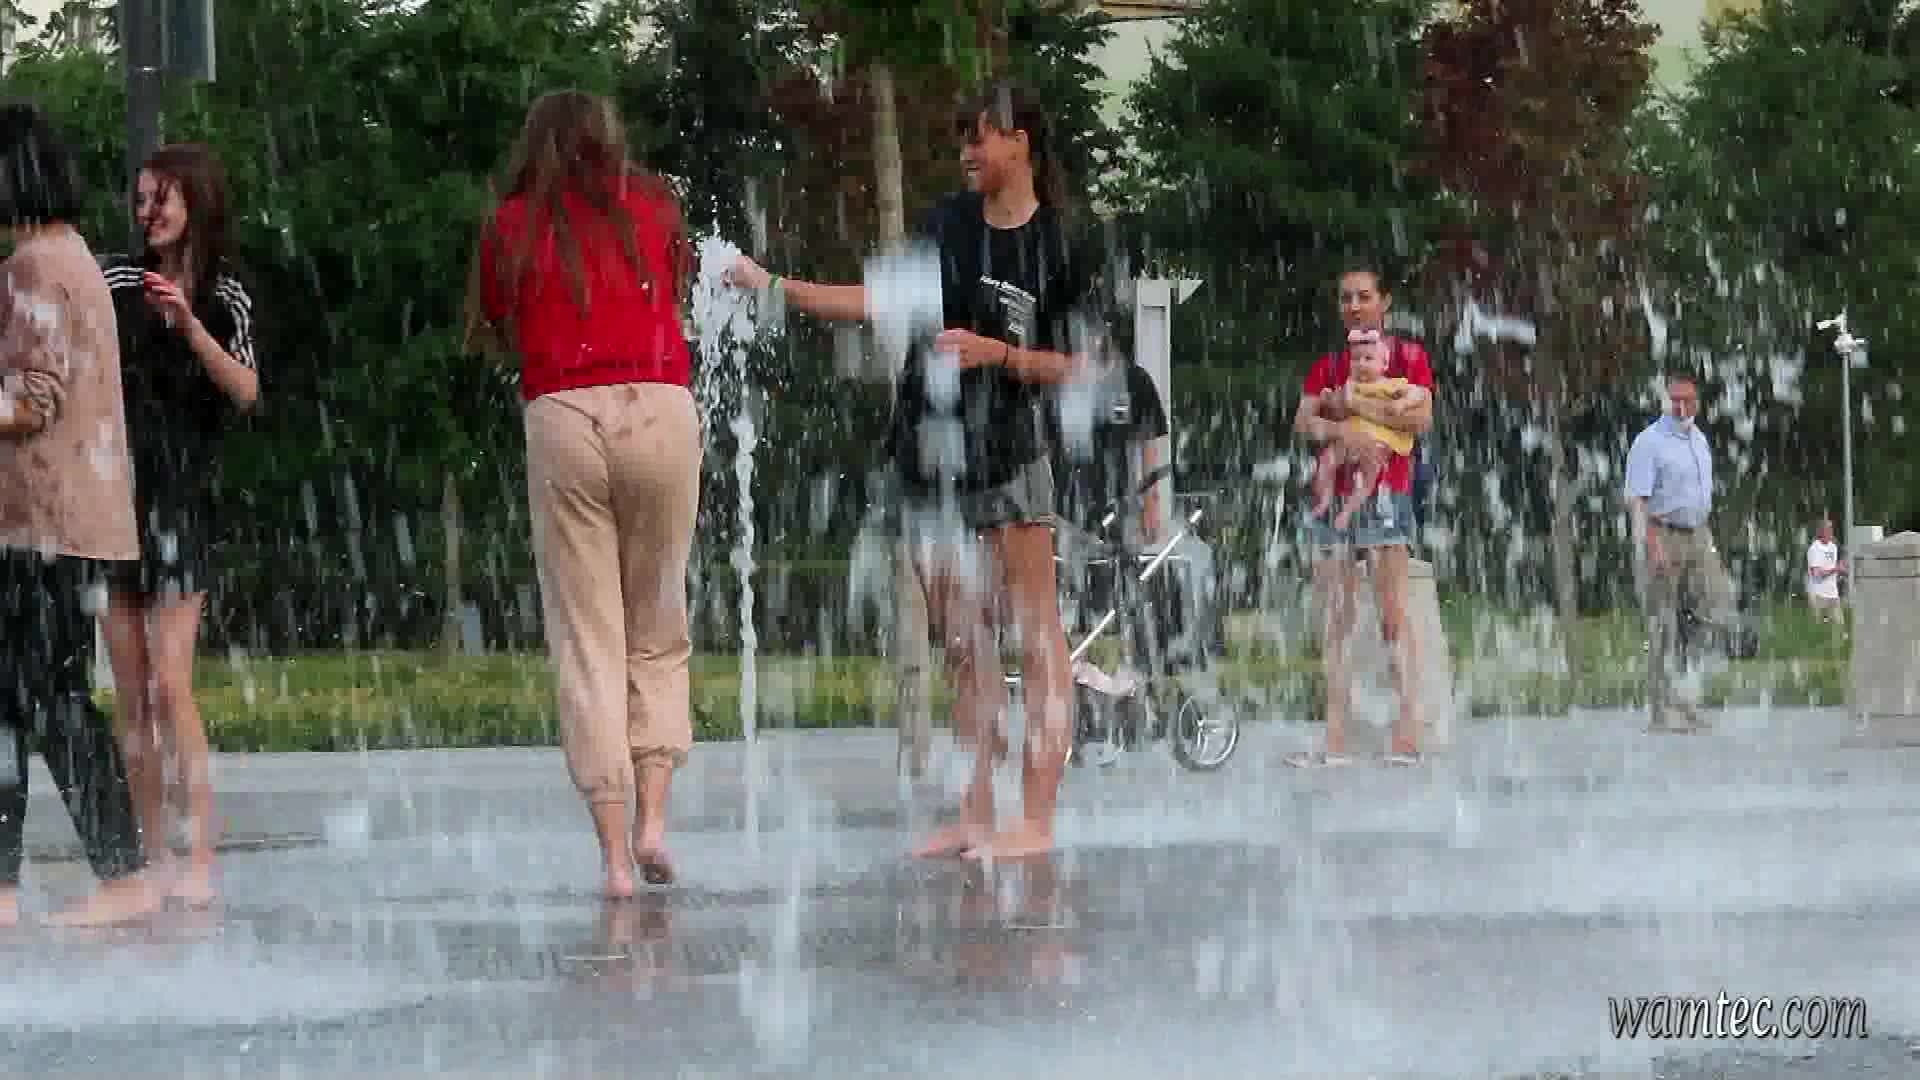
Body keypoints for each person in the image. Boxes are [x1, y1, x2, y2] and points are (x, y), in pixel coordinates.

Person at [728, 81, 1098, 859]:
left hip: (1013, 454)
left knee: (1037, 637)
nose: (967, 150)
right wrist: (777, 288)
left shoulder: (1061, 244)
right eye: (963, 136)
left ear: (1022, 142)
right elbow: (875, 299)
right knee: (962, 640)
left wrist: (1001, 355)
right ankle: (975, 811)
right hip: (930, 451)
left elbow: (1082, 367)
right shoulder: (949, 224)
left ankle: (1034, 820)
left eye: (980, 135)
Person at [465, 90, 700, 898]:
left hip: (563, 411)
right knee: (658, 625)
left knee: (588, 639)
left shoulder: (512, 223)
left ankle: (613, 859)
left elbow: (498, 320)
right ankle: (654, 823)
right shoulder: (655, 204)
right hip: (661, 404)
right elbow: (678, 289)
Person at [0, 101, 162, 927]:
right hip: (76, 516)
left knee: (51, 697)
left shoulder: (32, 267)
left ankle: (124, 874)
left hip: (43, 521)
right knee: (16, 699)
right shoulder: (74, 258)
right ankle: (4, 887)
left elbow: (32, 400)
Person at [99, 143, 260, 909]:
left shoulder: (227, 294)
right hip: (110, 501)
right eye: (139, 199)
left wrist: (190, 326)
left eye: (161, 197)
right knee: (131, 694)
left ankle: (200, 857)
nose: (148, 211)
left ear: (197, 200)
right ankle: (151, 857)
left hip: (180, 500)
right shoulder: (116, 281)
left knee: (170, 684)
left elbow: (247, 390)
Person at [1286, 266, 1434, 768]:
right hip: (1334, 499)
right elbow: (1304, 421)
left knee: (1393, 614)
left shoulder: (1408, 356)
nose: (1354, 305)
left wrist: (1353, 408)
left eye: (1364, 296)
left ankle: (1408, 731)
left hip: (1388, 493)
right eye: (1346, 297)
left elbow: (1421, 418)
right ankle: (1335, 738)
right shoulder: (1329, 365)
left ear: (1384, 302)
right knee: (1336, 619)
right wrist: (1341, 432)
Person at [1625, 372, 1737, 733]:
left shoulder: (1699, 439)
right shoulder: (1649, 442)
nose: (1681, 406)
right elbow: (1637, 500)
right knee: (1662, 623)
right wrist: (1652, 545)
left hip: (1698, 534)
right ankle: (1662, 711)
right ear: (1666, 402)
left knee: (1717, 606)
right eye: (1675, 400)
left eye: (1687, 399)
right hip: (1662, 533)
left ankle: (1684, 690)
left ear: (1697, 402)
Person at [1309, 328, 1428, 530]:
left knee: (1367, 478)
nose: (1361, 364)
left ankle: (1347, 512)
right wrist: (1328, 398)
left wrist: (1403, 403)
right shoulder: (1350, 385)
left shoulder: (1391, 385)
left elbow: (1419, 393)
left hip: (1378, 442)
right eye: (1355, 359)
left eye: (1368, 359)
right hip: (1350, 438)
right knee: (1326, 462)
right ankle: (1324, 500)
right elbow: (1334, 403)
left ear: (1384, 365)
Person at [1806, 518, 1844, 624]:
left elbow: (1833, 568)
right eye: (1827, 529)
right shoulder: (1814, 548)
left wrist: (1841, 571)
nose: (1831, 531)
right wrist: (1836, 569)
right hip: (1818, 595)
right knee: (1817, 628)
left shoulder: (1833, 547)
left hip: (1833, 594)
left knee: (1838, 626)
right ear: (1820, 531)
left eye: (1831, 528)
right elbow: (1817, 574)